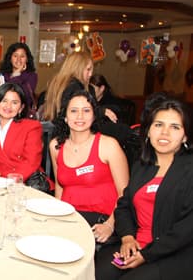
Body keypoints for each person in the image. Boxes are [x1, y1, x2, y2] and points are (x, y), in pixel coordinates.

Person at [95, 96, 193, 280]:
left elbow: (186, 229)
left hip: (174, 253)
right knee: (99, 274)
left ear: (185, 135)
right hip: (135, 244)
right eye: (158, 125)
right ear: (148, 131)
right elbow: (124, 206)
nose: (165, 133)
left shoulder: (189, 169)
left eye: (175, 127)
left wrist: (147, 254)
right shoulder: (142, 165)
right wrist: (128, 238)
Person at [49, 90, 129, 244]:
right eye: (73, 111)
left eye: (86, 111)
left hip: (102, 221)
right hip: (69, 218)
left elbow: (125, 194)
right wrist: (56, 218)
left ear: (94, 116)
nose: (80, 116)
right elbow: (60, 187)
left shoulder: (108, 145)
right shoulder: (56, 146)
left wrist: (110, 225)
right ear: (65, 116)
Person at [0, 83, 45, 182]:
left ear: (21, 108)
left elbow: (31, 163)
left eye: (14, 102)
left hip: (24, 185)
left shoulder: (31, 127)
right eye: (4, 101)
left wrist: (9, 182)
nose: (8, 106)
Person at [0, 42, 37, 109]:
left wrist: (16, 73)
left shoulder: (32, 76)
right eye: (15, 56)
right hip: (3, 112)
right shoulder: (3, 75)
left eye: (22, 56)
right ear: (10, 58)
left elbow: (20, 94)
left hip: (22, 114)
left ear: (27, 59)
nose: (18, 59)